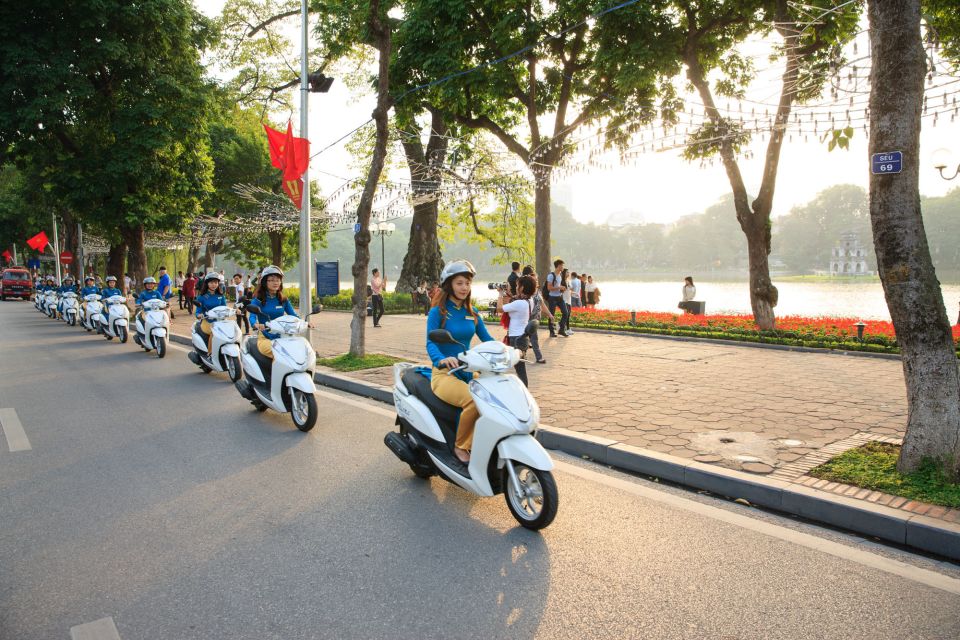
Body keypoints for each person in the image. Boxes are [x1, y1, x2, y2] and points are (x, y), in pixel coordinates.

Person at [426, 260, 495, 464]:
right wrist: (441, 359)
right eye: (459, 283)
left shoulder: (472, 314)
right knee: (474, 400)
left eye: (467, 283)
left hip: (468, 371)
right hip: (444, 374)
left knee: (494, 397)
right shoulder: (438, 312)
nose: (464, 287)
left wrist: (510, 350)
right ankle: (461, 446)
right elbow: (430, 342)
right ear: (449, 285)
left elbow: (488, 340)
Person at [246, 265, 297, 360]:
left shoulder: (283, 299)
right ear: (265, 282)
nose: (276, 283)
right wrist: (256, 324)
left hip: (283, 335)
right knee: (279, 353)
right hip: (266, 337)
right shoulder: (258, 300)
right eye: (272, 280)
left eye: (278, 280)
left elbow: (293, 315)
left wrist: (305, 322)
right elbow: (252, 316)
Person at [497, 275, 538, 386]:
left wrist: (500, 294)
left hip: (516, 339)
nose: (516, 287)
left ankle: (523, 393)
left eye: (518, 285)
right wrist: (508, 292)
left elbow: (499, 309)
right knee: (519, 368)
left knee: (518, 369)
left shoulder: (520, 303)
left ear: (522, 287)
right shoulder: (530, 300)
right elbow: (512, 301)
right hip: (521, 338)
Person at [194, 273, 227, 352]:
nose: (214, 285)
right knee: (214, 333)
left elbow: (225, 308)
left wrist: (235, 310)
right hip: (207, 321)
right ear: (207, 283)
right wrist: (199, 315)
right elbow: (198, 311)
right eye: (211, 282)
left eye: (215, 282)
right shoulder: (202, 297)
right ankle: (210, 354)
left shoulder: (221, 296)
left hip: (220, 321)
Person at [522, 266, 547, 364]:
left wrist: (549, 315)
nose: (537, 281)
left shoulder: (538, 291)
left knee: (529, 338)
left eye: (536, 279)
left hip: (535, 318)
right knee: (532, 338)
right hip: (528, 318)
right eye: (535, 279)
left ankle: (522, 354)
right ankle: (538, 357)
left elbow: (542, 304)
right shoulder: (527, 291)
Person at [545, 259, 568, 337]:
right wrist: (559, 287)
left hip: (559, 297)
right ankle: (551, 331)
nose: (563, 267)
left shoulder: (560, 275)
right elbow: (549, 288)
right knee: (551, 315)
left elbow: (558, 286)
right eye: (562, 265)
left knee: (565, 313)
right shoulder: (551, 275)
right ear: (558, 266)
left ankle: (561, 329)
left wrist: (562, 288)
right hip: (552, 298)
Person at [560, 268, 573, 334]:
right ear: (564, 273)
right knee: (566, 314)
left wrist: (573, 293)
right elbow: (561, 291)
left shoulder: (568, 280)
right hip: (564, 300)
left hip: (569, 299)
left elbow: (569, 290)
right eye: (567, 272)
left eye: (569, 272)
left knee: (568, 314)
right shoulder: (562, 281)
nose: (568, 273)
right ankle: (566, 328)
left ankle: (565, 328)